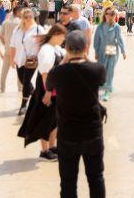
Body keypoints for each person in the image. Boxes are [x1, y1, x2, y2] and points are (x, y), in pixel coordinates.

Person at [47, 30, 106, 198]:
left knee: (68, 182)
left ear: (66, 49)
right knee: (96, 178)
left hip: (68, 135)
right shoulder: (96, 69)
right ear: (86, 47)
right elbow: (101, 78)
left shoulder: (57, 73)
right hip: (92, 133)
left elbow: (49, 85)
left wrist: (65, 61)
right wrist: (87, 57)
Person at [19, 24, 66, 161]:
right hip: (46, 91)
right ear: (56, 34)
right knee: (45, 121)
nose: (64, 39)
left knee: (54, 121)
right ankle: (44, 150)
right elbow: (45, 73)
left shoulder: (56, 48)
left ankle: (52, 146)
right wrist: (48, 92)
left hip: (55, 90)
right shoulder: (46, 50)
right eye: (63, 36)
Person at [9, 10, 46, 115]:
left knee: (26, 82)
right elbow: (12, 45)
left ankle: (23, 105)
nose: (28, 18)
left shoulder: (39, 29)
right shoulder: (17, 30)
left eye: (30, 16)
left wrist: (41, 57)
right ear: (22, 18)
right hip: (19, 60)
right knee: (22, 81)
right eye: (26, 17)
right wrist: (12, 60)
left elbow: (45, 44)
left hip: (31, 60)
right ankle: (35, 95)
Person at [93, 7, 126, 101]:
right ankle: (107, 86)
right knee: (103, 70)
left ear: (114, 15)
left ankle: (107, 91)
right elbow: (96, 41)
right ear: (104, 14)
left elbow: (119, 39)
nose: (108, 15)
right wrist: (96, 52)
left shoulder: (116, 26)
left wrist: (123, 51)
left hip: (112, 49)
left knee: (110, 70)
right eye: (106, 13)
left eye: (111, 14)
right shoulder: (100, 26)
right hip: (101, 50)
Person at [0, 6, 22, 93]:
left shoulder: (5, 22)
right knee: (20, 73)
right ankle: (20, 90)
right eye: (21, 12)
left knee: (4, 72)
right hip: (18, 52)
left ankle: (2, 89)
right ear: (17, 12)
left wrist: (5, 44)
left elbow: (0, 36)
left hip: (8, 51)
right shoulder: (20, 23)